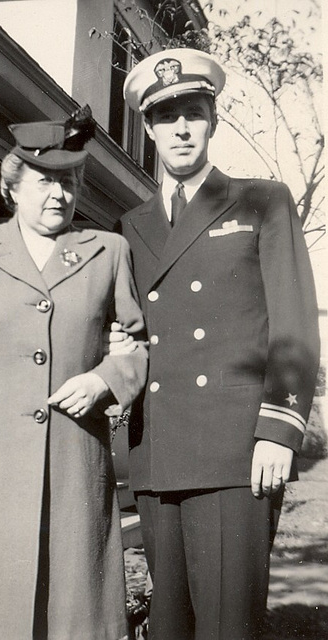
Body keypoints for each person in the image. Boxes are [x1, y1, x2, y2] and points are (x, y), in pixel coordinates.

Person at [0, 106, 148, 640]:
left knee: (78, 613)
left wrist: (104, 379)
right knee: (2, 612)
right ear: (12, 187)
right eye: (44, 181)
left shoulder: (107, 252)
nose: (58, 194)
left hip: (73, 461)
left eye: (69, 182)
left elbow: (136, 345)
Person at [111, 48, 320, 639]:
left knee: (230, 625)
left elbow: (295, 321)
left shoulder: (262, 200)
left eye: (194, 113)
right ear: (148, 128)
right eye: (167, 116)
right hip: (156, 452)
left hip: (235, 454)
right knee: (169, 627)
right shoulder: (131, 224)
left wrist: (279, 429)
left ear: (213, 121)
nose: (181, 128)